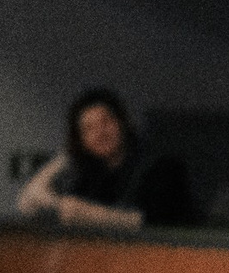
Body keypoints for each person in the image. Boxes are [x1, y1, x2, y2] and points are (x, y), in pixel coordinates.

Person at [15, 88, 197, 231]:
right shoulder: (89, 175)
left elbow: (155, 223)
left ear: (123, 122)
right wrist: (66, 156)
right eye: (88, 129)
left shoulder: (160, 168)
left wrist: (90, 215)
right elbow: (28, 203)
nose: (99, 133)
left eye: (106, 122)